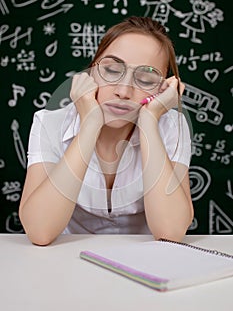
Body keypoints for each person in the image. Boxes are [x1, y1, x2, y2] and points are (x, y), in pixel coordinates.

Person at [19, 16, 194, 246]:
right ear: (92, 71)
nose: (123, 91)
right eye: (111, 70)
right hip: (66, 262)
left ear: (163, 88)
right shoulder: (49, 123)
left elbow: (169, 232)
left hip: (145, 263)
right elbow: (39, 232)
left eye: (145, 78)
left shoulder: (173, 127)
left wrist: (150, 120)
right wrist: (90, 123)